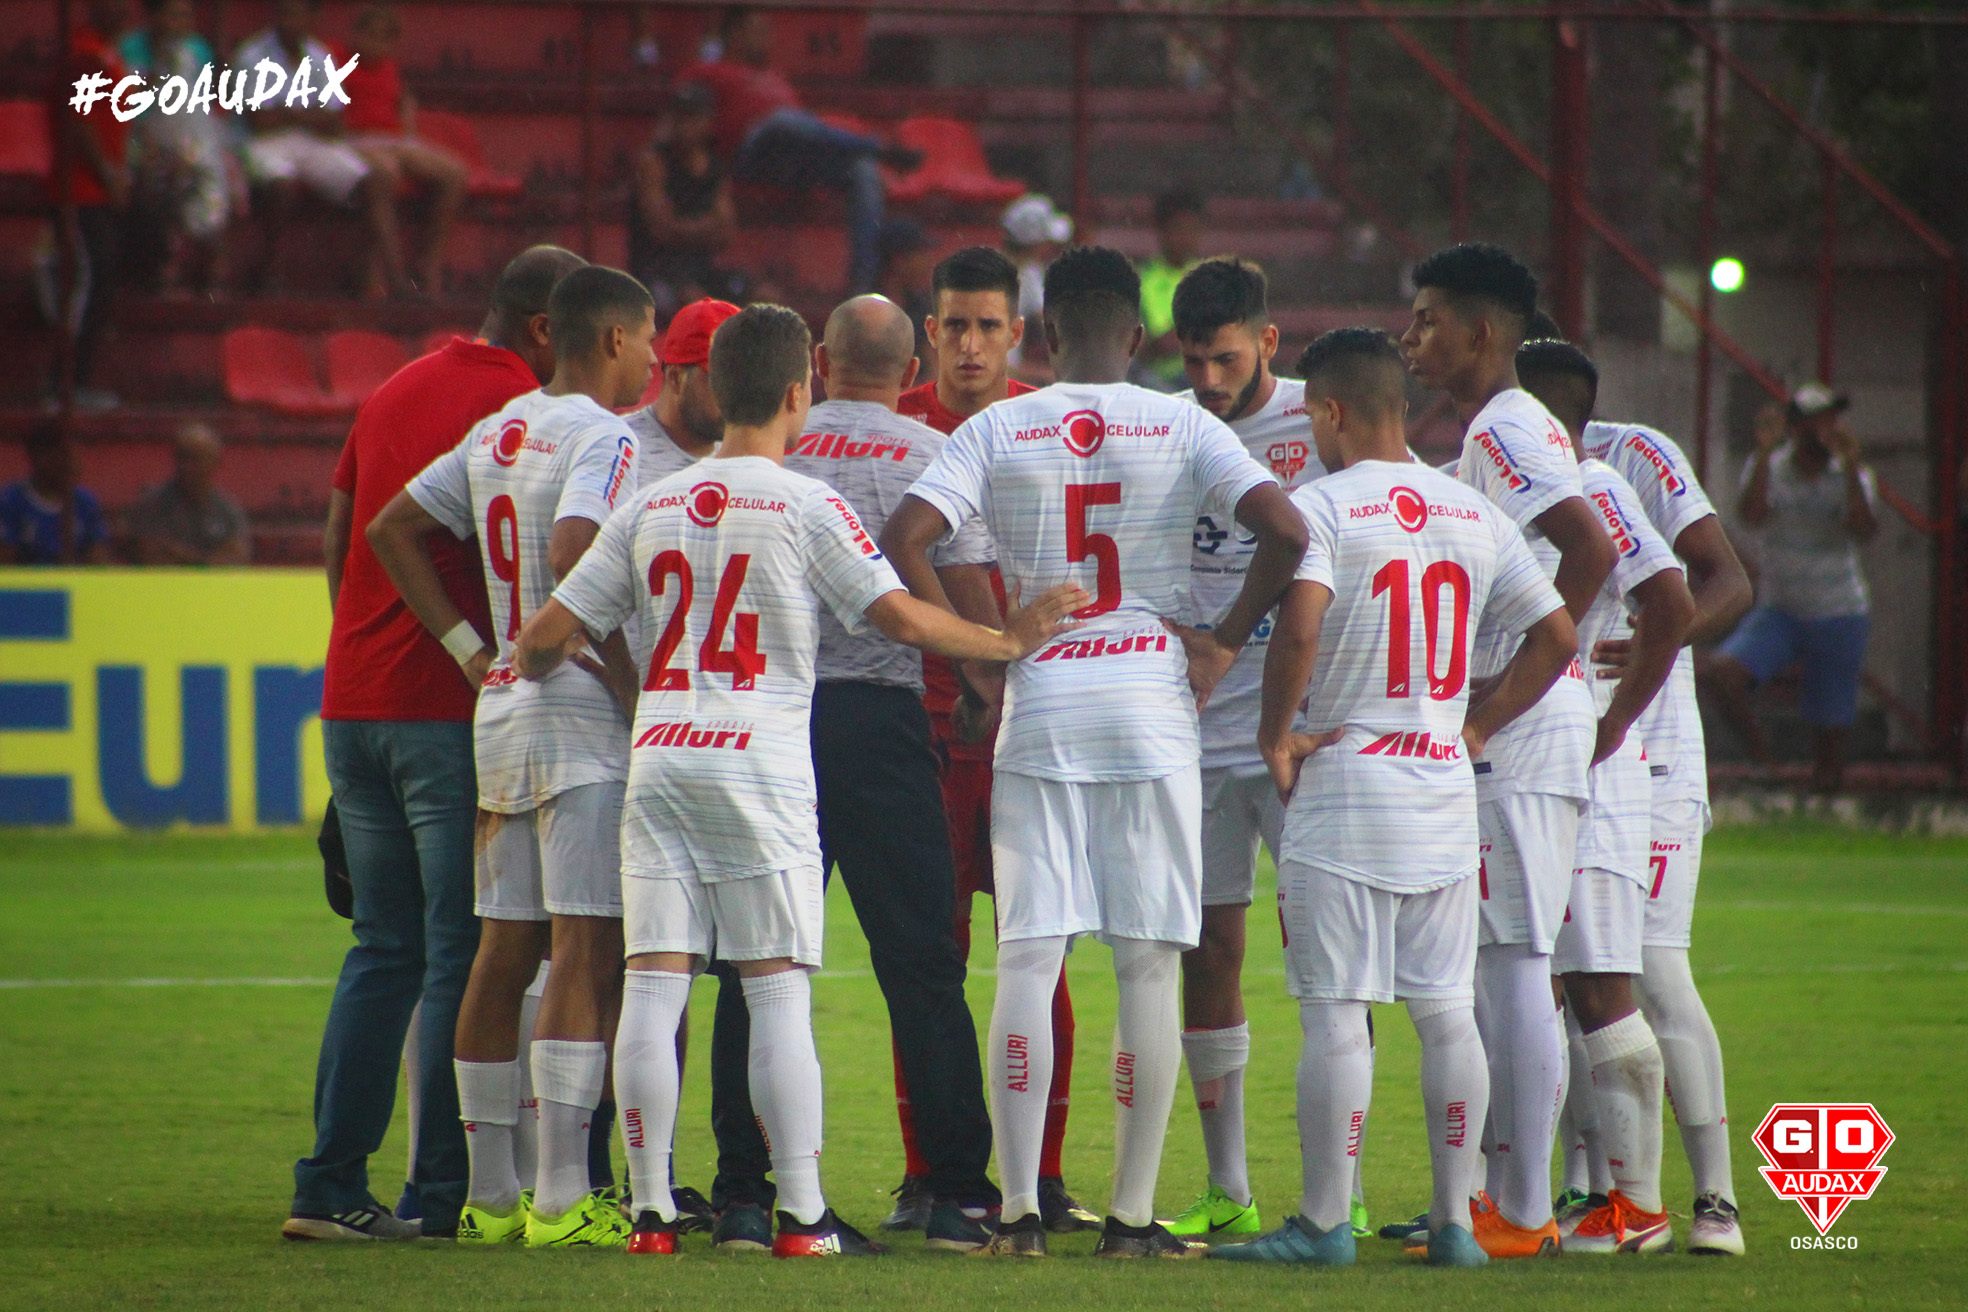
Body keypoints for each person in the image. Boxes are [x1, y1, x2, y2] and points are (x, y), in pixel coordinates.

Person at [514, 302, 1085, 1257]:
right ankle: (831, 1211)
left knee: (664, 981)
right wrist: (1003, 641)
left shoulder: (652, 501)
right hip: (780, 748)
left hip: (664, 751)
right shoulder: (810, 498)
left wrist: (598, 681)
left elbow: (541, 640)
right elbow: (898, 616)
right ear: (796, 388)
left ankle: (665, 1212)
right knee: (833, 974)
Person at [883, 245, 1310, 1258]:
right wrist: (1219, 638)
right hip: (1150, 702)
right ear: (1135, 336)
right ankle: (1129, 1216)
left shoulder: (996, 423)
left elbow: (905, 538)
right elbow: (1288, 531)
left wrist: (988, 657)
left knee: (1030, 955)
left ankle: (1022, 1214)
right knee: (1149, 964)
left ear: (1039, 334)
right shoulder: (1182, 420)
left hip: (1044, 698)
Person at [1214, 327, 1576, 1269]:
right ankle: (1457, 1221)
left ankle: (1327, 1221)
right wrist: (1480, 725)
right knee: (1446, 1008)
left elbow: (1298, 629)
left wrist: (1275, 732)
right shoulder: (1472, 510)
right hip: (1443, 783)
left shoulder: (1322, 507)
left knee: (1337, 1009)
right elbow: (1558, 636)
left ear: (1329, 412)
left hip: (1350, 775)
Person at [291, 243, 586, 1243]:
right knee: (475, 950)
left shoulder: (394, 388)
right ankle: (445, 1190)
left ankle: (329, 1182)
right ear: (548, 329)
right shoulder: (530, 412)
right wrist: (463, 651)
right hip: (450, 715)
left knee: (383, 948)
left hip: (356, 706)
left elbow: (346, 532)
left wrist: (354, 656)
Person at [367, 265, 655, 1249]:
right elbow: (580, 543)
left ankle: (490, 1199)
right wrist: (620, 672)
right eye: (647, 340)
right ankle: (563, 1196)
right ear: (612, 339)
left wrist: (470, 649)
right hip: (574, 711)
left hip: (500, 709)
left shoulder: (497, 430)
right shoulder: (605, 436)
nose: (655, 361)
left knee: (504, 948)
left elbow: (390, 527)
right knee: (583, 944)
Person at [722, 293, 1003, 1249]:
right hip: (881, 724)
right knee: (923, 960)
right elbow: (956, 580)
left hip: (774, 718)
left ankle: (742, 1186)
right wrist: (982, 676)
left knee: (753, 964)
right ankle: (956, 1189)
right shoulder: (931, 454)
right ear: (910, 358)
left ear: (820, 359)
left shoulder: (770, 449)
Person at [1395, 243, 1615, 1256]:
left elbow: (1592, 549)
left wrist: (1509, 690)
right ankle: (1494, 1195)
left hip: (1525, 728)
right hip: (1522, 719)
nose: (1412, 335)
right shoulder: (1494, 427)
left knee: (1520, 960)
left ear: (1483, 332)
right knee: (1495, 961)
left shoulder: (1511, 423)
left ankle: (1525, 1209)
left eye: (1430, 317)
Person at [1524, 340, 1754, 1256]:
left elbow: (1726, 578)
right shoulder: (1496, 466)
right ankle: (1595, 1195)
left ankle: (1716, 1203)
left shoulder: (1636, 457)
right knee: (1564, 976)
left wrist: (1662, 640)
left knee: (1651, 971)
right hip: (1562, 749)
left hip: (1648, 754)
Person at [892, 246, 1098, 1236]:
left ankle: (1043, 1173)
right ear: (929, 331)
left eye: (988, 325)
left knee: (1040, 953)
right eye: (953, 325)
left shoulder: (1049, 429)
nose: (969, 343)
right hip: (919, 727)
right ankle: (928, 1170)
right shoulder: (899, 430)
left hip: (1027, 725)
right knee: (928, 959)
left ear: (1017, 333)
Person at [1159, 256, 1347, 1243]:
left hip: (1296, 735)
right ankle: (1227, 1183)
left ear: (1269, 342)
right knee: (1209, 951)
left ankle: (1337, 1188)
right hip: (1192, 738)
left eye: (1224, 360)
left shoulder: (1320, 427)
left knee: (1325, 957)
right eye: (1193, 362)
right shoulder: (1169, 426)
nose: (1207, 382)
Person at [1703, 385, 1879, 793]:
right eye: (1820, 420)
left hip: (1838, 608)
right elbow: (1751, 516)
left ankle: (1824, 797)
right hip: (1780, 608)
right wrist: (1764, 452)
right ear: (1798, 427)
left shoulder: (1850, 472)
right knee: (1724, 673)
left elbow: (1865, 530)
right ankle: (1769, 767)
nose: (1829, 428)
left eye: (1833, 419)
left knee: (1830, 727)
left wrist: (1851, 467)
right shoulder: (1773, 467)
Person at [679, 7, 917, 293]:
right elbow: (686, 114)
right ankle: (876, 147)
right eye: (757, 31)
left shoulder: (775, 77)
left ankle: (862, 287)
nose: (766, 38)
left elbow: (808, 131)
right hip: (748, 156)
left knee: (863, 172)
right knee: (781, 121)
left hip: (791, 161)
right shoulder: (708, 71)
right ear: (734, 34)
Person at [236, 0, 415, 296]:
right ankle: (270, 274)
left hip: (312, 143)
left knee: (375, 180)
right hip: (263, 145)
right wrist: (308, 114)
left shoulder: (320, 56)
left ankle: (394, 280)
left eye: (296, 12)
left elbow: (333, 120)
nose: (289, 20)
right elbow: (259, 122)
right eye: (284, 12)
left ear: (312, 17)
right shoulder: (252, 55)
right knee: (278, 183)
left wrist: (289, 112)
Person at [338, 3, 469, 294]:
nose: (375, 43)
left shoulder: (389, 69)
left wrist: (408, 134)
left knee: (455, 173)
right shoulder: (336, 59)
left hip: (394, 140)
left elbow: (403, 104)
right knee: (386, 175)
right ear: (355, 34)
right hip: (355, 140)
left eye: (384, 37)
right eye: (369, 34)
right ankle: (390, 276)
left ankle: (426, 263)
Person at [48, 0, 133, 408]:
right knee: (87, 282)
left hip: (97, 188)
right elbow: (79, 121)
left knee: (99, 280)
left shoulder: (106, 53)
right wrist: (107, 173)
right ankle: (64, 385)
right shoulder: (85, 56)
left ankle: (75, 382)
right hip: (81, 190)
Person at [119, 0, 233, 294]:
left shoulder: (197, 50)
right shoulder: (130, 49)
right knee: (161, 177)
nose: (180, 24)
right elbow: (129, 108)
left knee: (216, 173)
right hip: (137, 138)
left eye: (186, 17)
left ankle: (210, 270)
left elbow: (200, 108)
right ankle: (160, 266)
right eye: (173, 16)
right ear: (154, 17)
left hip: (189, 137)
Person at [628, 83, 745, 320]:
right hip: (655, 270)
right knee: (696, 303)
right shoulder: (654, 163)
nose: (685, 126)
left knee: (763, 297)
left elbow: (727, 232)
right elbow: (661, 229)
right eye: (680, 117)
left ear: (707, 122)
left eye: (693, 117)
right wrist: (706, 227)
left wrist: (682, 228)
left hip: (701, 269)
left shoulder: (715, 167)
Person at [127, 422, 251, 565]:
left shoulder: (228, 509)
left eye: (196, 459)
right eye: (183, 457)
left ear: (216, 462)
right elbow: (152, 559)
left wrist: (182, 555)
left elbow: (235, 560)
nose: (187, 466)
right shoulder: (151, 505)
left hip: (215, 586)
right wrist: (208, 561)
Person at [1, 422, 111, 565]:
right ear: (39, 457)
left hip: (73, 583)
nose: (74, 466)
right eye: (66, 458)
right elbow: (5, 564)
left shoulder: (85, 501)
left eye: (76, 458)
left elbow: (98, 559)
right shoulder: (11, 500)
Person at [1136, 188, 1205, 388]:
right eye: (1178, 228)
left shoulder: (1210, 277)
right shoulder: (1142, 279)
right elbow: (1145, 346)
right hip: (1158, 378)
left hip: (1202, 375)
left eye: (1192, 229)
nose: (1186, 237)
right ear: (1162, 231)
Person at [1000, 194, 1071, 382]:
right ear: (1036, 243)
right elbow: (993, 369)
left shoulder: (1030, 272)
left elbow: (1050, 323)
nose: (1053, 248)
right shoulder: (995, 282)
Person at [875, 219, 937, 365]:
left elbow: (934, 370)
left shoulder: (921, 306)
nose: (927, 262)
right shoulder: (864, 310)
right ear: (899, 259)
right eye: (920, 254)